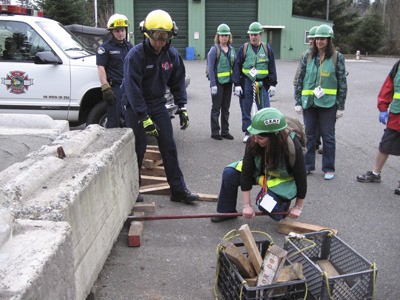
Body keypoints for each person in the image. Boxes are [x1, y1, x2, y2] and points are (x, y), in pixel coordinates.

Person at [121, 9, 199, 204]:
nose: (160, 42)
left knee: (169, 147)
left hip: (157, 104)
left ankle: (178, 191)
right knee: (138, 148)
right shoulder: (135, 56)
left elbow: (177, 81)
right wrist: (143, 116)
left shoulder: (171, 55)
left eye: (165, 38)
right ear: (147, 34)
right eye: (157, 37)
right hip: (134, 105)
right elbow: (132, 89)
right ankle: (133, 192)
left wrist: (182, 107)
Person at [211, 108, 307, 223]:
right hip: (260, 172)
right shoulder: (254, 140)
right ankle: (226, 212)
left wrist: (298, 207)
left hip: (279, 179)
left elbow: (301, 177)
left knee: (268, 207)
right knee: (230, 173)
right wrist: (247, 206)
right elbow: (246, 172)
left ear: (274, 137)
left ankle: (281, 202)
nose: (255, 140)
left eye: (261, 138)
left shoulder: (292, 146)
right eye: (254, 136)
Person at [294, 24, 347, 180]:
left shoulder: (337, 57)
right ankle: (308, 165)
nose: (319, 41)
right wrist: (298, 100)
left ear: (329, 40)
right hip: (309, 102)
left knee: (328, 136)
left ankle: (328, 168)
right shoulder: (307, 56)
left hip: (329, 103)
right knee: (309, 135)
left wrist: (341, 106)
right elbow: (300, 79)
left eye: (322, 38)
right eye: (317, 38)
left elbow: (342, 82)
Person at [357, 59, 400, 195]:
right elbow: (388, 87)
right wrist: (383, 108)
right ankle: (375, 174)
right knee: (385, 145)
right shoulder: (398, 65)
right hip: (396, 114)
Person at [232, 21, 278, 143]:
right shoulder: (244, 48)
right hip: (246, 82)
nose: (253, 37)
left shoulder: (267, 49)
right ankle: (248, 132)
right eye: (251, 34)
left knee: (264, 110)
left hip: (263, 83)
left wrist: (273, 84)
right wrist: (236, 84)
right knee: (246, 109)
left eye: (255, 34)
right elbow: (237, 66)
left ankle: (264, 133)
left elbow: (272, 66)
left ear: (260, 34)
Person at [96, 14, 133, 128]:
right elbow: (101, 68)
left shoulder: (129, 47)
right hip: (114, 90)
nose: (120, 33)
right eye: (117, 31)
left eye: (122, 30)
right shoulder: (105, 48)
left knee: (130, 120)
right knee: (114, 121)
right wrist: (106, 88)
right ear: (112, 32)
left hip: (128, 89)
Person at [294, 25, 323, 153]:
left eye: (313, 38)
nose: (311, 41)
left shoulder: (329, 55)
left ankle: (318, 142)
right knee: (309, 122)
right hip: (308, 94)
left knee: (322, 123)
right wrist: (296, 87)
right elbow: (300, 73)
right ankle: (313, 143)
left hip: (323, 96)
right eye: (310, 39)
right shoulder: (306, 55)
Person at [207, 23, 236, 140]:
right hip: (218, 84)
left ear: (229, 37)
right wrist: (213, 84)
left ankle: (225, 131)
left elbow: (236, 66)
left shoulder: (232, 49)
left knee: (226, 109)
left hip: (229, 83)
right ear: (218, 36)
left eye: (226, 35)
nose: (224, 37)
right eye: (222, 35)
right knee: (216, 108)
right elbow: (210, 68)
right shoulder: (214, 50)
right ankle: (215, 132)